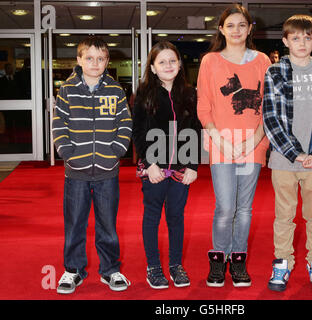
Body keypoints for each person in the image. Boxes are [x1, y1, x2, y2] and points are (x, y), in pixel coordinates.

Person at [263, 14, 312, 294]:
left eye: (308, 37)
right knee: (284, 215)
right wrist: (295, 153)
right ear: (286, 41)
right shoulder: (275, 72)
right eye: (295, 38)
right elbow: (270, 118)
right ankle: (282, 262)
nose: (302, 42)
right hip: (284, 159)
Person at [197, 4, 270, 288]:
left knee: (245, 209)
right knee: (226, 207)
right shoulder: (210, 61)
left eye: (242, 25)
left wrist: (254, 141)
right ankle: (219, 259)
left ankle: (238, 260)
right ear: (221, 29)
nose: (237, 30)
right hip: (221, 144)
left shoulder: (263, 60)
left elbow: (269, 105)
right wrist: (220, 140)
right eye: (231, 25)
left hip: (254, 143)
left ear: (250, 28)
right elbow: (204, 105)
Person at [52, 36, 132, 294]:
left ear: (107, 61)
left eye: (100, 58)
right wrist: (66, 152)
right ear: (79, 60)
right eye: (89, 58)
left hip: (108, 171)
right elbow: (58, 124)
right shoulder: (66, 90)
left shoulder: (116, 91)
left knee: (107, 223)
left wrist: (117, 150)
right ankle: (73, 270)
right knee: (75, 222)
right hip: (76, 171)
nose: (95, 63)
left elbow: (125, 123)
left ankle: (110, 270)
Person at [131, 41, 201, 289]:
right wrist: (149, 164)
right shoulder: (144, 95)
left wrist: (193, 165)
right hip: (154, 169)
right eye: (162, 61)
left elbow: (195, 130)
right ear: (152, 67)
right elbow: (137, 132)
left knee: (176, 217)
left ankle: (175, 265)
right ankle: (153, 267)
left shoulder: (190, 94)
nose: (168, 65)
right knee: (152, 216)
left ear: (180, 64)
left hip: (182, 169)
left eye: (172, 60)